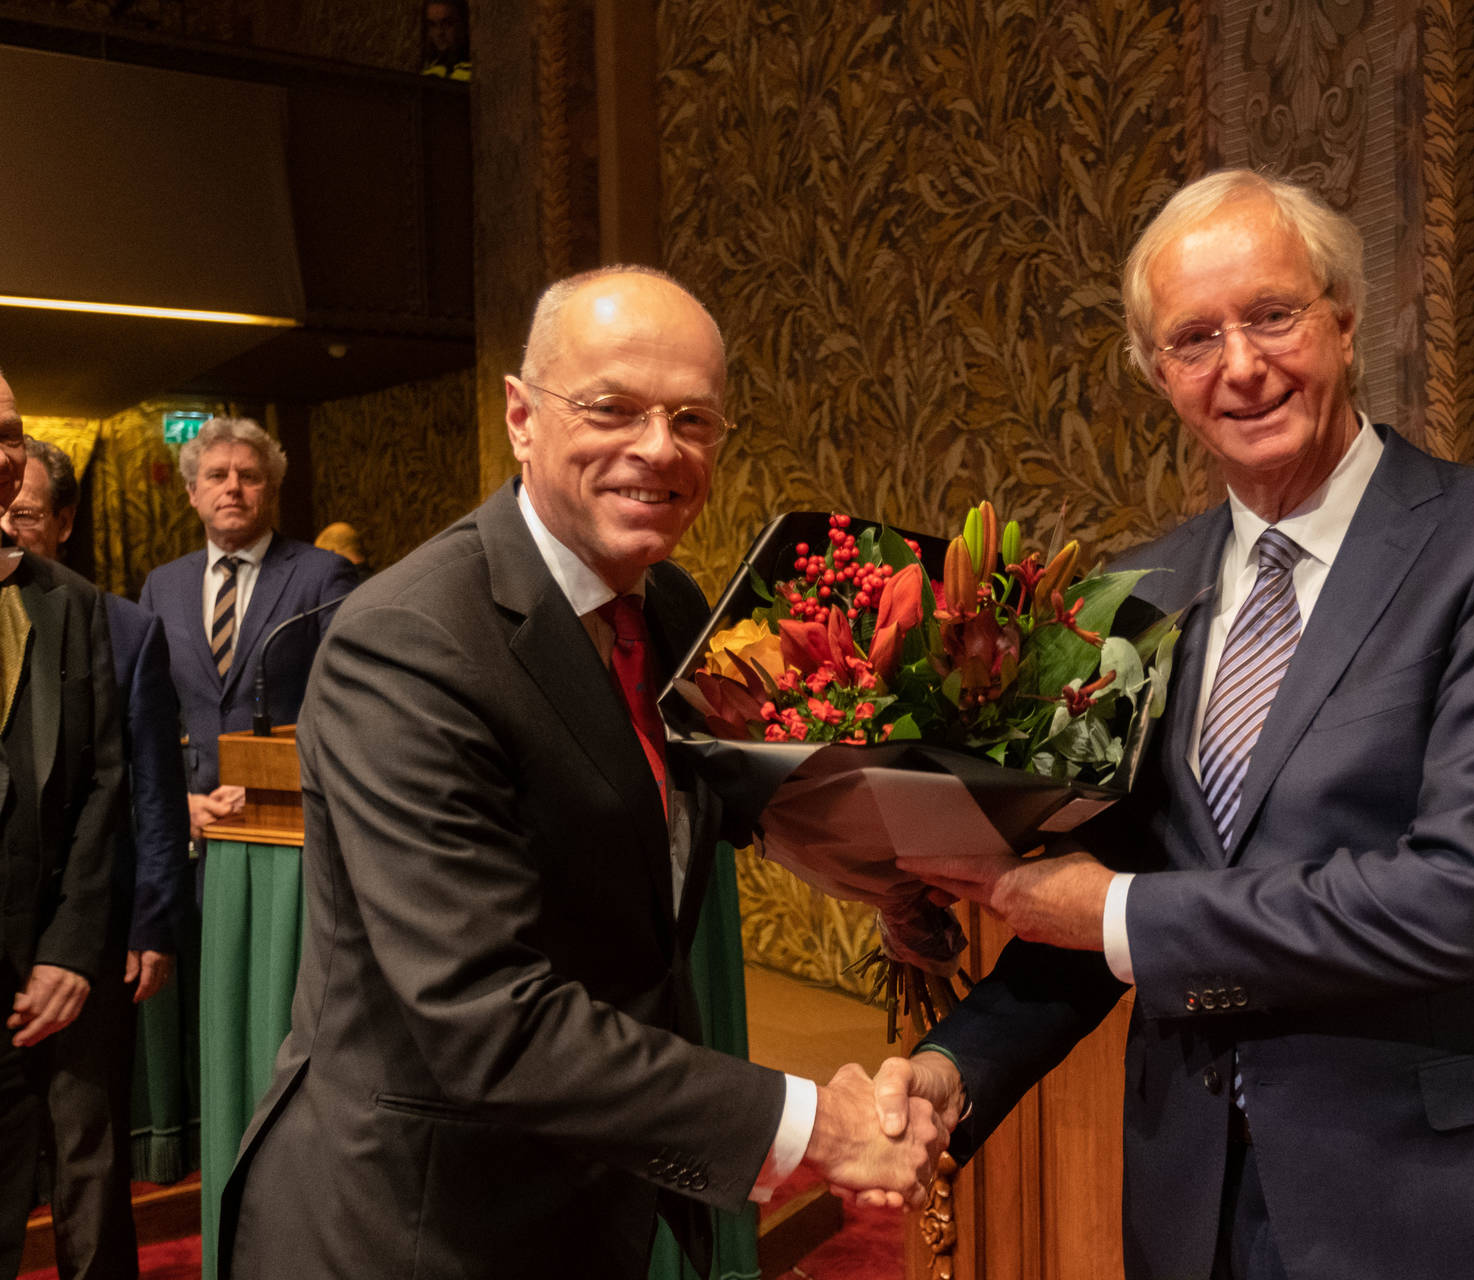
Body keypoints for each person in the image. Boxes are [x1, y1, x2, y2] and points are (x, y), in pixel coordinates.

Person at [883, 170, 1474, 1279]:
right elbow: (1108, 899)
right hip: (1196, 1208)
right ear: (1157, 374)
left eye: (1273, 315)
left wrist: (1118, 908)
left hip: (1438, 1203)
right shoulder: (1135, 596)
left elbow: (1459, 897)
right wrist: (955, 1069)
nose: (1240, 365)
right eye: (1194, 338)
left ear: (1344, 318)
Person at [221, 266, 943, 1279]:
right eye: (612, 408)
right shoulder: (410, 640)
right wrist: (817, 1125)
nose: (659, 447)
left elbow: (739, 798)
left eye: (693, 419)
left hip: (586, 1198)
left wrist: (908, 875)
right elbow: (483, 1017)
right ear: (521, 416)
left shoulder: (669, 604)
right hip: (412, 1218)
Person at [3, 439, 191, 1280]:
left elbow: (146, 791)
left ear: (64, 521)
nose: (11, 524)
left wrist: (152, 923)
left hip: (90, 929)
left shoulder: (118, 623)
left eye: (27, 512)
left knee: (89, 1146)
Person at [0, 372, 125, 1278]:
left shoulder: (69, 602)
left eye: (10, 433)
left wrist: (71, 952)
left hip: (30, 988)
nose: (2, 455)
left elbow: (104, 786)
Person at [138, 419, 358, 839]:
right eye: (217, 475)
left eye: (249, 476)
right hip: (195, 820)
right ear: (192, 492)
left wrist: (271, 780)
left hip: (289, 817)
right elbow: (147, 713)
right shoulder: (161, 586)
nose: (232, 488)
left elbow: (348, 705)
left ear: (272, 491)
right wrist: (176, 799)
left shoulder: (323, 576)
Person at [420, 0, 471, 80]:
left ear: (464, 24)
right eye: (432, 25)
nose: (439, 32)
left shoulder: (475, 71)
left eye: (447, 24)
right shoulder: (428, 70)